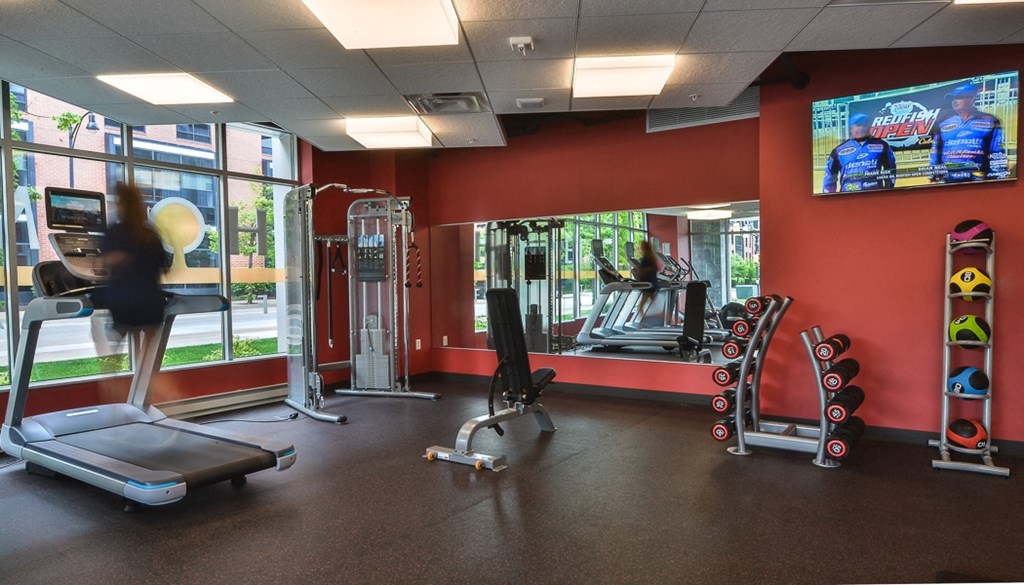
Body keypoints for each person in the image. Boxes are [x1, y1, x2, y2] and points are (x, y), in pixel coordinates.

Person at [91, 183, 169, 391]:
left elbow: (103, 263)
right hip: (152, 306)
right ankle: (166, 395)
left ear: (121, 204)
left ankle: (111, 392)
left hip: (125, 306)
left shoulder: (115, 232)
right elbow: (165, 266)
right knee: (147, 360)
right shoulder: (151, 234)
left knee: (106, 349)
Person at [930, 83, 1008, 183]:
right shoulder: (943, 122)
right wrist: (933, 176)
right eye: (953, 99)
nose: (954, 102)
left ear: (972, 99)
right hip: (948, 181)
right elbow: (935, 152)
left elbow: (997, 152)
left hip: (978, 180)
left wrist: (999, 177)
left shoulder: (990, 121)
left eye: (959, 98)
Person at [822, 113, 897, 193]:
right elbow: (830, 176)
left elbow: (890, 168)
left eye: (864, 125)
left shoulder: (882, 145)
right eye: (858, 125)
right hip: (848, 197)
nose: (861, 128)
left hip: (875, 195)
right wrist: (829, 196)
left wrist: (888, 189)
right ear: (851, 128)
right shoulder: (838, 150)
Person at [632, 239, 660, 320]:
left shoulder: (645, 259)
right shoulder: (651, 257)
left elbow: (643, 272)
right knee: (654, 304)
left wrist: (634, 271)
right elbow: (653, 269)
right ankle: (665, 317)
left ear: (643, 248)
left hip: (647, 285)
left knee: (640, 306)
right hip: (652, 284)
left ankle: (643, 321)